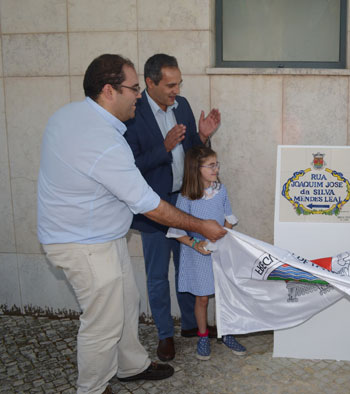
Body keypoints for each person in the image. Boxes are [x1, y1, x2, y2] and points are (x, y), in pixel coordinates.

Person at [37, 54, 226, 394]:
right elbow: (148, 203)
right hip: (84, 243)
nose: (138, 95)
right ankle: (92, 388)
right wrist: (200, 225)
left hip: (102, 235)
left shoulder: (69, 115)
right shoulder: (103, 140)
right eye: (134, 88)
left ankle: (130, 365)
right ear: (109, 90)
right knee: (103, 321)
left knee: (126, 302)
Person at [124, 54, 221, 362]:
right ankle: (165, 335)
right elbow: (129, 167)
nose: (175, 90)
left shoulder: (183, 105)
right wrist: (163, 147)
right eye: (169, 84)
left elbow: (192, 148)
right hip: (153, 209)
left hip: (184, 203)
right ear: (149, 83)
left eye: (178, 83)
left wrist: (202, 135)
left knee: (189, 267)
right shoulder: (132, 113)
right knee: (156, 275)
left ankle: (192, 326)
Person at [167, 146, 247, 360]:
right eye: (211, 165)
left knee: (224, 295)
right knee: (202, 298)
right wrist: (197, 245)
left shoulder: (221, 190)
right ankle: (203, 336)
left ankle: (227, 333)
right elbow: (177, 231)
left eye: (217, 164)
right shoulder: (186, 197)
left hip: (221, 251)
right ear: (196, 168)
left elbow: (229, 216)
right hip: (198, 255)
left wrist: (223, 234)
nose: (216, 169)